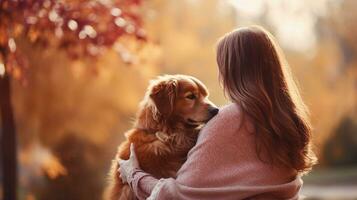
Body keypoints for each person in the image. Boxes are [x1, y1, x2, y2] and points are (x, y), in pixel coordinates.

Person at [118, 25, 317, 200]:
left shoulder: (229, 120)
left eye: (221, 65)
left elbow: (180, 195)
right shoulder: (290, 120)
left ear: (231, 71)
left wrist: (134, 174)